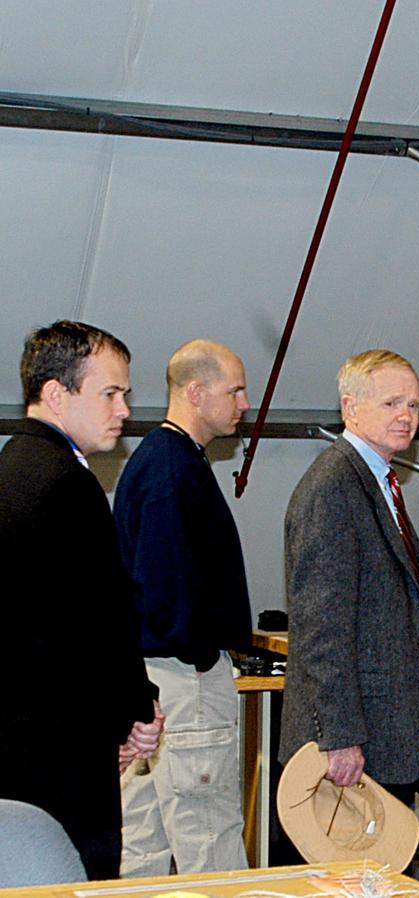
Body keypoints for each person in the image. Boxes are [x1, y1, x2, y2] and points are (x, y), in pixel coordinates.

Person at [0, 320, 161, 880]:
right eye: (110, 393)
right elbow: (101, 616)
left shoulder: (9, 470)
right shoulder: (66, 482)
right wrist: (137, 710)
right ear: (54, 394)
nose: (123, 410)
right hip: (60, 751)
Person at [279, 349, 419, 811]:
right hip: (352, 743)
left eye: (414, 405)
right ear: (349, 408)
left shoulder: (377, 480)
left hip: (386, 731)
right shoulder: (332, 488)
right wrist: (339, 736)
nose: (405, 416)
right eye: (391, 404)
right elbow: (322, 627)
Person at [113, 340, 253, 875]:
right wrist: (200, 660)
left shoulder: (163, 460)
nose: (243, 403)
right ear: (194, 392)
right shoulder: (171, 472)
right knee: (209, 842)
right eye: (233, 390)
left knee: (142, 845)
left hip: (157, 674)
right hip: (184, 677)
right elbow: (164, 587)